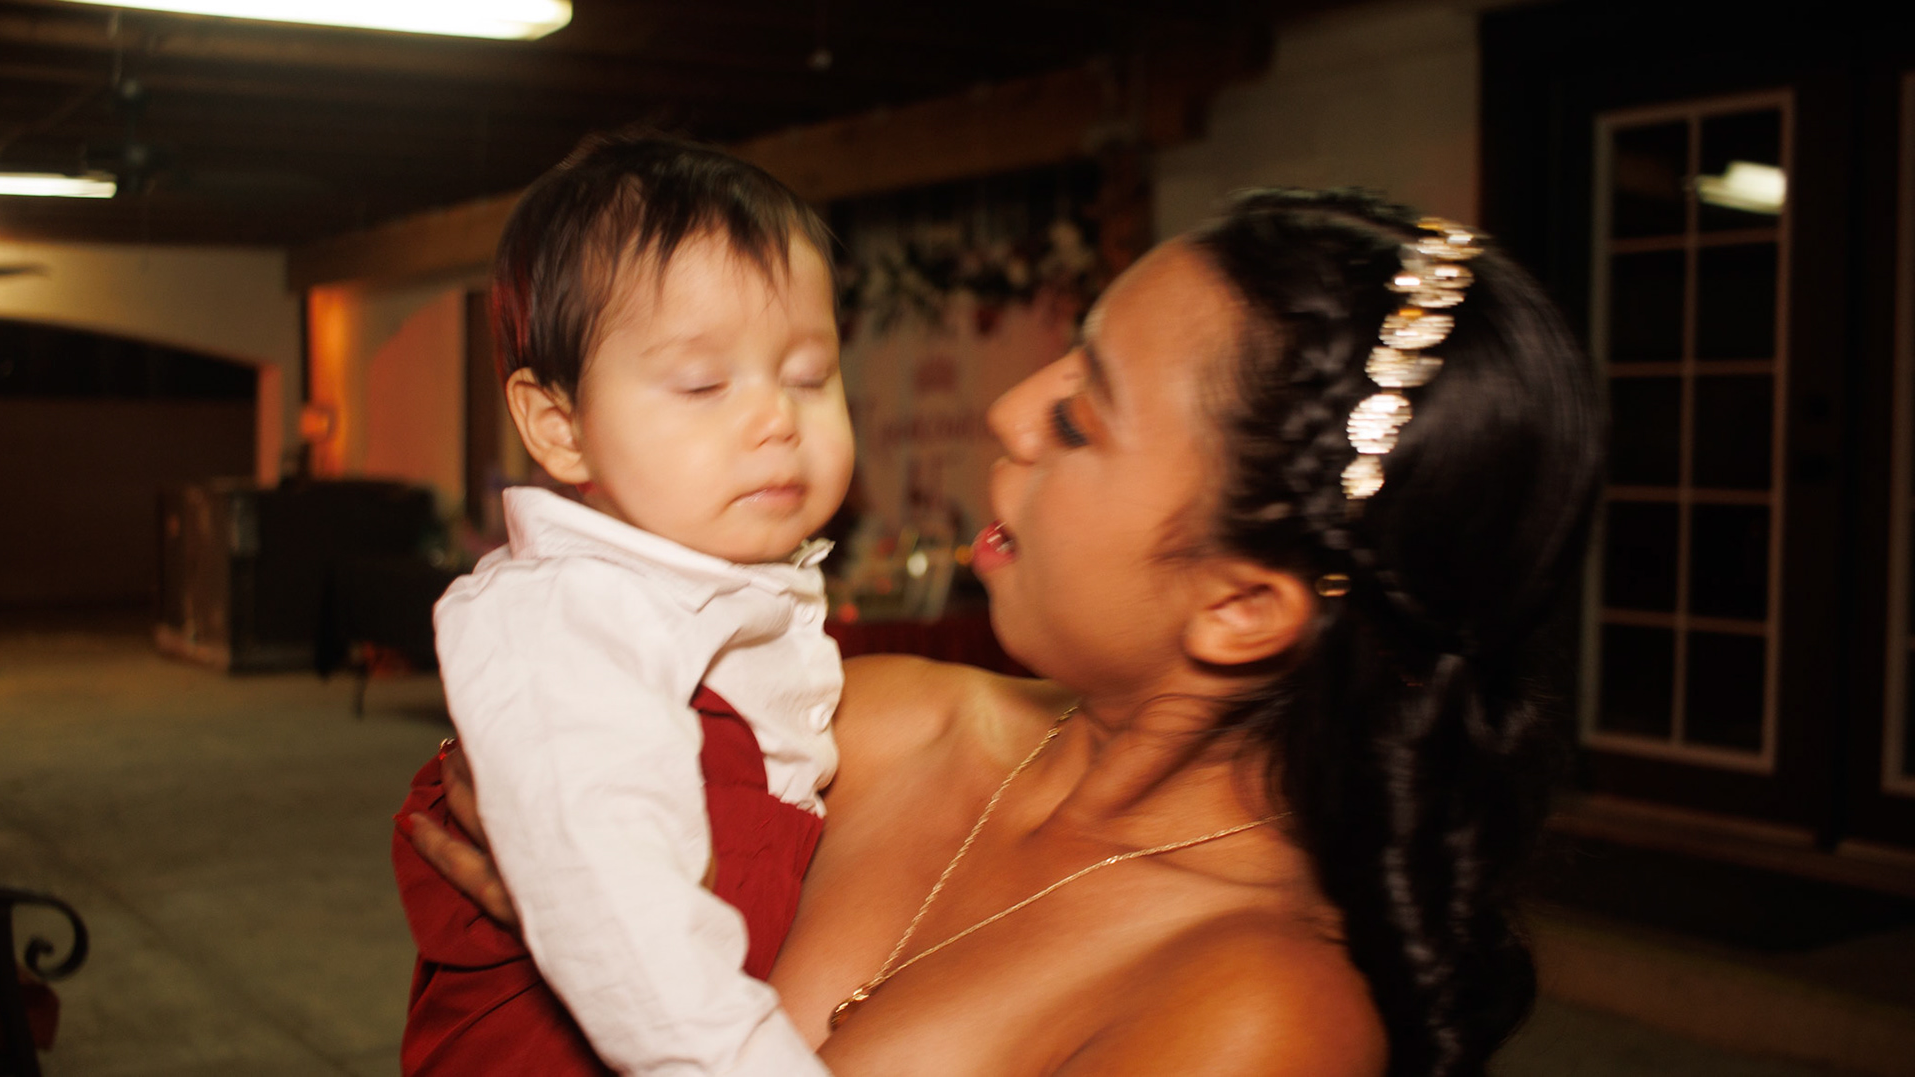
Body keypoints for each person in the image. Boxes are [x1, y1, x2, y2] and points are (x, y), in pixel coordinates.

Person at [407, 188, 1602, 1076]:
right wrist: (574, 905)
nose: (1009, 411)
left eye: (1081, 418)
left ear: (1240, 606)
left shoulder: (1261, 1009)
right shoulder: (859, 717)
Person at [392, 133, 850, 1076]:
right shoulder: (570, 614)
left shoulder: (719, 596)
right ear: (560, 427)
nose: (778, 418)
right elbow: (627, 931)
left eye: (810, 376)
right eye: (703, 384)